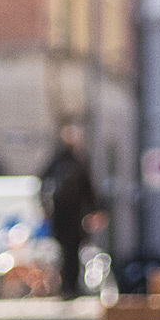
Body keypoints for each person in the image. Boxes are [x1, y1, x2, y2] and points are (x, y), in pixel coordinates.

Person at [40, 123, 100, 298]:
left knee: (67, 251)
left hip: (65, 215)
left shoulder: (63, 161)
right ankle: (69, 286)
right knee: (69, 251)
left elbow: (88, 188)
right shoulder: (72, 161)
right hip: (69, 215)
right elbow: (89, 189)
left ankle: (68, 286)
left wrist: (45, 209)